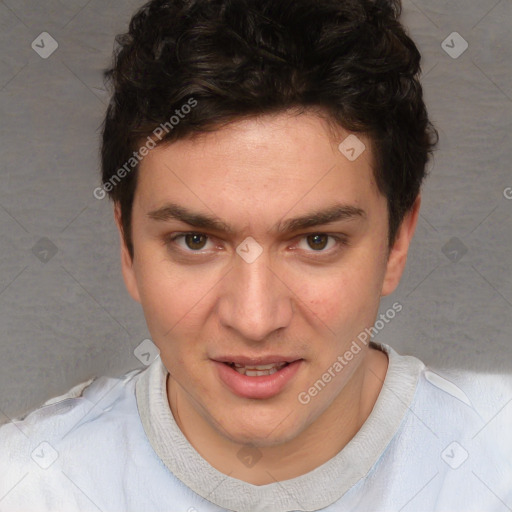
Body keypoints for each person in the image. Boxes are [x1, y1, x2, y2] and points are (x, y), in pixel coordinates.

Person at [1, 0, 511, 510]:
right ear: (127, 246)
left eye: (316, 241)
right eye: (195, 241)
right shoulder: (29, 487)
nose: (254, 319)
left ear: (397, 241)